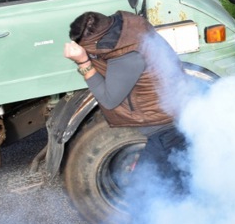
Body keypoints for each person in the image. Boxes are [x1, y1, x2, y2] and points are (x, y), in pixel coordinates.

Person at [63, 10, 187, 195]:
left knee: (148, 191)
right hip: (169, 116)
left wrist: (83, 63)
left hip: (165, 128)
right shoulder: (125, 29)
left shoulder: (127, 56)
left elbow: (108, 100)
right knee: (173, 185)